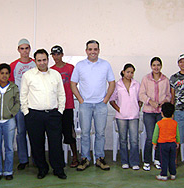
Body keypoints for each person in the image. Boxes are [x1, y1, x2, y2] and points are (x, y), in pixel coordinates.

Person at [20, 49, 67, 179]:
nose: (42, 63)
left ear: (48, 59)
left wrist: (60, 111)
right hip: (34, 115)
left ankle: (58, 169)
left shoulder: (56, 74)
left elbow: (61, 94)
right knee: (37, 143)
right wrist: (26, 113)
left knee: (56, 143)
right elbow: (23, 95)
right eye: (39, 60)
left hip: (53, 115)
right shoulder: (28, 75)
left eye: (44, 60)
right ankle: (42, 168)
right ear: (35, 61)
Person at [70, 40, 115, 171]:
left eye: (95, 49)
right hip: (85, 105)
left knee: (100, 133)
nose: (93, 52)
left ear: (99, 51)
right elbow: (73, 84)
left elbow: (112, 83)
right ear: (86, 51)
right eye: (90, 49)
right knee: (85, 133)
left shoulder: (105, 65)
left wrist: (106, 99)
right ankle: (85, 158)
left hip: (101, 105)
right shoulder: (80, 65)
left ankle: (99, 158)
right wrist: (81, 100)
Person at [139, 57, 171, 171]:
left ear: (161, 66)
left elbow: (168, 95)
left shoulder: (165, 80)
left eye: (158, 65)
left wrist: (164, 101)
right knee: (150, 137)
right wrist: (150, 101)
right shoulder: (145, 79)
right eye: (154, 65)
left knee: (160, 138)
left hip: (161, 113)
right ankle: (147, 161)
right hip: (148, 112)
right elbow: (141, 94)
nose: (156, 67)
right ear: (151, 66)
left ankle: (157, 159)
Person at [50, 45, 79, 168]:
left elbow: (75, 84)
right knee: (56, 134)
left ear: (62, 54)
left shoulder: (70, 68)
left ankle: (75, 157)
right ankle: (58, 159)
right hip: (54, 107)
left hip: (67, 106)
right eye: (54, 55)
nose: (56, 57)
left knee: (69, 133)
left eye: (58, 54)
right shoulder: (50, 70)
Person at [9, 38, 36, 170]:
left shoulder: (36, 63)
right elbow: (11, 86)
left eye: (27, 48)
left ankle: (36, 158)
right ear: (18, 50)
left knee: (35, 131)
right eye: (22, 48)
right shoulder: (13, 65)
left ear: (30, 49)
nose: (25, 51)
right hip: (19, 104)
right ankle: (23, 159)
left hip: (35, 104)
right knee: (21, 132)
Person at [110, 63, 142, 170]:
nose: (130, 74)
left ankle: (134, 162)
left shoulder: (136, 84)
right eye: (128, 72)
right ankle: (124, 161)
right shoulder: (117, 84)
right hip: (121, 117)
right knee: (123, 139)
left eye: (132, 72)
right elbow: (112, 100)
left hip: (134, 116)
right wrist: (120, 109)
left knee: (134, 140)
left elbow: (140, 99)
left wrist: (138, 108)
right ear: (123, 72)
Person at [152, 102, 180, 181]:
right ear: (172, 114)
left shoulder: (159, 123)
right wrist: (177, 142)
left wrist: (154, 143)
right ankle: (173, 174)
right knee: (172, 159)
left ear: (162, 113)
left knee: (164, 160)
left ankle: (164, 174)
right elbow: (177, 134)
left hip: (162, 144)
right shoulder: (175, 123)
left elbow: (155, 135)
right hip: (172, 144)